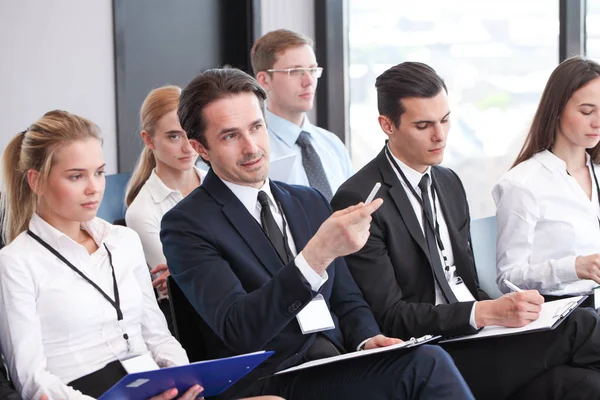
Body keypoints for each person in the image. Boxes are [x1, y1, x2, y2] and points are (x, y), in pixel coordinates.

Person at [161, 67, 474, 399]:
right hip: (271, 378)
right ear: (202, 148)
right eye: (230, 136)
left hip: (333, 363)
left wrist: (368, 339)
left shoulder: (306, 200)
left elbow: (347, 299)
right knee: (425, 365)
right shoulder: (186, 224)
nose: (252, 147)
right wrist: (314, 257)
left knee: (423, 360)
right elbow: (240, 329)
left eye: (256, 127)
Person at [331, 61, 600, 400]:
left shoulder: (448, 182)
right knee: (582, 326)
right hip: (436, 348)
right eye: (423, 125)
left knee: (584, 386)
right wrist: (485, 312)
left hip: (483, 335)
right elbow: (391, 316)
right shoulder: (361, 198)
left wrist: (498, 312)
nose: (440, 136)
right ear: (388, 125)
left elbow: (464, 282)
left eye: (445, 120)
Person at [0, 111, 202, 400]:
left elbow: (157, 335)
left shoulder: (123, 241)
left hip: (153, 385)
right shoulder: (16, 262)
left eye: (99, 172)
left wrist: (185, 383)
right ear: (36, 181)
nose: (94, 188)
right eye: (76, 176)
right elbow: (33, 381)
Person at [493, 57, 600, 302]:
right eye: (586, 111)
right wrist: (572, 267)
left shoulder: (596, 171)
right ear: (557, 109)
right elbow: (508, 279)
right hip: (564, 315)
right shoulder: (522, 184)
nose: (597, 122)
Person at [125, 85, 205, 328]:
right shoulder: (142, 211)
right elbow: (188, 287)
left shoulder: (220, 181)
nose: (188, 146)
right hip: (190, 321)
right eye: (173, 136)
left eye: (190, 132)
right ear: (149, 140)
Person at [251, 29, 352, 199]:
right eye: (295, 72)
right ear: (264, 80)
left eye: (312, 70)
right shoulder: (253, 150)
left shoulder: (332, 144)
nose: (309, 81)